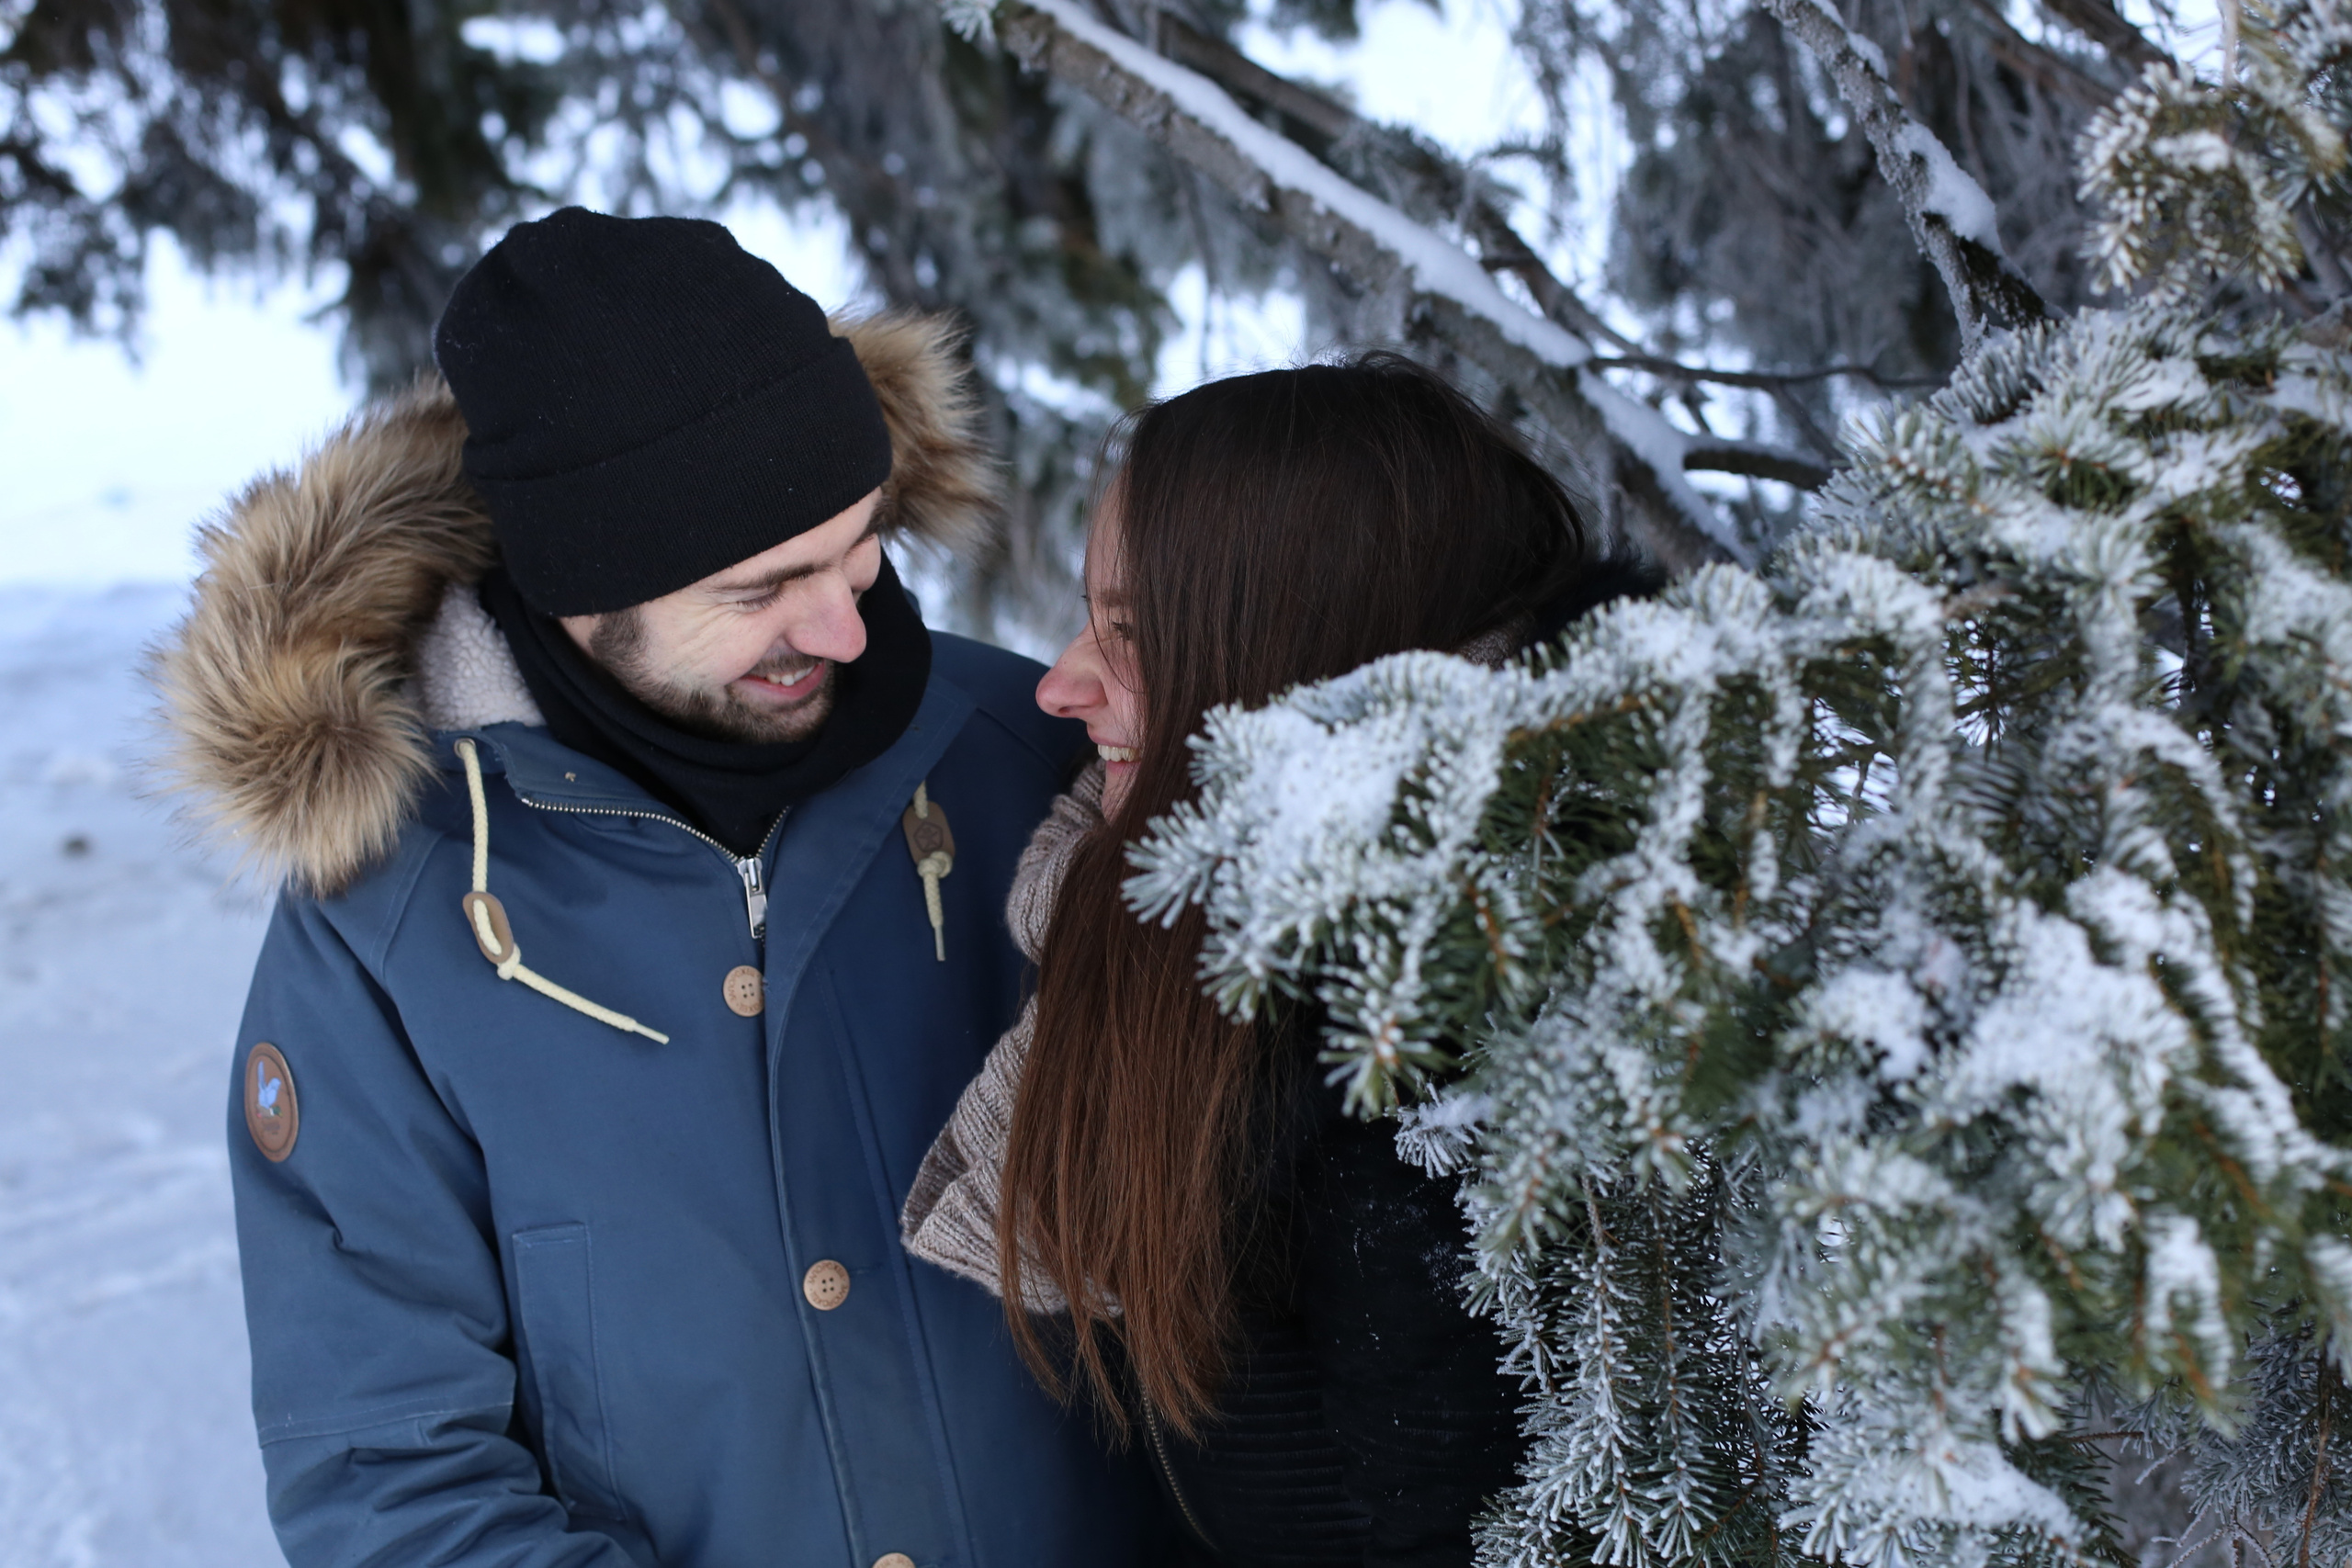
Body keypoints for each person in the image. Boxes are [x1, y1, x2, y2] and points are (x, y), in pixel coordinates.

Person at [155, 209, 1159, 1568]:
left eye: (860, 547)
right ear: (581, 589)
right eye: (764, 589)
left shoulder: (1026, 755)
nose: (847, 627)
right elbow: (391, 1475)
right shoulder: (391, 912)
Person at [901, 354, 1654, 1566]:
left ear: (1300, 653)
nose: (1060, 683)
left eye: (1134, 632)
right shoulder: (1185, 935)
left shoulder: (1416, 1041)